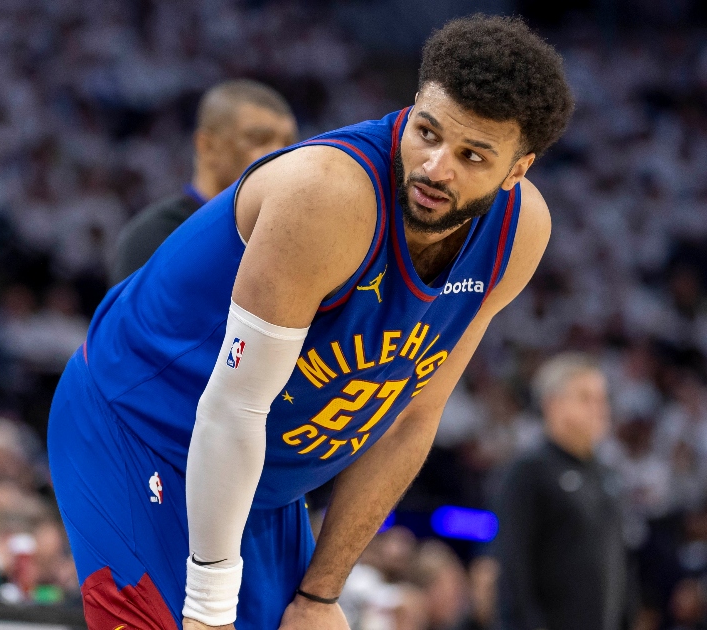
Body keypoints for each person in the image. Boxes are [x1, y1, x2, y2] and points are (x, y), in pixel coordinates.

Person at [47, 14, 573, 630]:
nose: (435, 167)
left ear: (517, 170)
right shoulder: (329, 197)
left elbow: (411, 416)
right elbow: (233, 407)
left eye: (471, 155)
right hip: (140, 431)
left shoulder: (518, 233)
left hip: (258, 475)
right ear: (412, 106)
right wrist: (210, 609)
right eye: (426, 132)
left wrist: (320, 596)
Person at [494, 354, 633, 630]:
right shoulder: (528, 472)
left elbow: (620, 563)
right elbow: (513, 569)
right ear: (553, 405)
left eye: (602, 399)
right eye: (585, 398)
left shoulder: (608, 475)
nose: (600, 408)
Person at [109, 79, 297, 283]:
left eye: (288, 143)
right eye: (259, 140)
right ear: (207, 147)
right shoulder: (156, 237)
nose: (280, 153)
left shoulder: (291, 235)